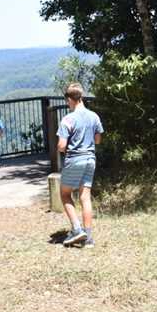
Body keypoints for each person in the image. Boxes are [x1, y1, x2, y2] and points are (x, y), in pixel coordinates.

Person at [57, 82, 104, 247]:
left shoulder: (67, 119)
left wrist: (63, 146)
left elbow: (62, 146)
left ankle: (77, 230)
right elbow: (98, 139)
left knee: (64, 194)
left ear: (70, 99)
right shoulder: (94, 116)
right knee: (85, 197)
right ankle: (89, 238)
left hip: (75, 159)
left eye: (67, 101)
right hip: (91, 159)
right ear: (81, 97)